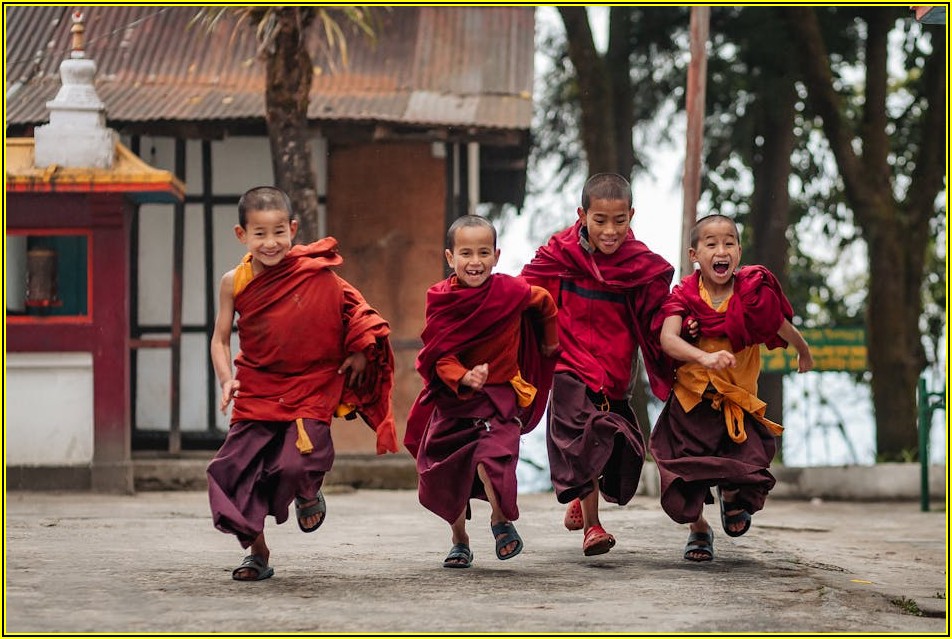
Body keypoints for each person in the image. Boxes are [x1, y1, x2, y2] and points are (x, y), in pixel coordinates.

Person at [207, 186, 397, 581]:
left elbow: (358, 311)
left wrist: (361, 351)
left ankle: (307, 489)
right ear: (242, 235)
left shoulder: (315, 272)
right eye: (260, 233)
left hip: (310, 385)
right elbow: (220, 339)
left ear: (293, 229)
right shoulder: (234, 282)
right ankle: (257, 553)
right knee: (234, 472)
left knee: (296, 463)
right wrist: (226, 379)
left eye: (279, 232)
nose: (271, 243)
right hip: (257, 386)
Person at [521, 173, 675, 556]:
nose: (610, 231)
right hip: (569, 364)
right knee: (579, 437)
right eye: (600, 220)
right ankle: (593, 526)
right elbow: (524, 292)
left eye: (619, 221)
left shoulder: (638, 264)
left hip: (615, 372)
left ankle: (582, 497)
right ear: (582, 215)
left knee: (615, 444)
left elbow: (657, 314)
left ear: (631, 216)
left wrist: (684, 326)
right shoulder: (560, 254)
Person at [648, 213, 814, 562]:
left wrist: (802, 349)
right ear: (694, 254)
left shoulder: (752, 293)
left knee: (746, 463)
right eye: (711, 244)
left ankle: (731, 495)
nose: (721, 250)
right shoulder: (685, 294)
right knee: (683, 475)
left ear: (739, 251)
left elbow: (779, 324)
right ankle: (698, 529)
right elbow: (668, 339)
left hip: (737, 402)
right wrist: (704, 357)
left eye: (729, 243)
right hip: (692, 402)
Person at [404, 215, 559, 568]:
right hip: (455, 402)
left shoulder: (510, 292)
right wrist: (464, 376)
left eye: (484, 253)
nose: (475, 262)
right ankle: (459, 539)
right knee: (449, 474)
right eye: (466, 253)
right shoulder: (441, 299)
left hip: (498, 400)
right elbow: (439, 356)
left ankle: (500, 521)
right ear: (450, 257)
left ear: (496, 255)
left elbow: (545, 301)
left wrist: (550, 345)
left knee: (493, 459)